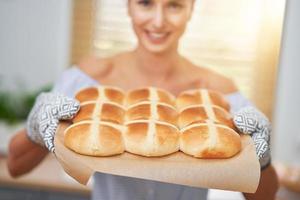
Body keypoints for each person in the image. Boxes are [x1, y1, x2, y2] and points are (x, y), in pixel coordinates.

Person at [7, 0, 279, 199]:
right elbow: (16, 167)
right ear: (128, 6)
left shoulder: (219, 96)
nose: (158, 21)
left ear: (191, 9)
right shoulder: (88, 83)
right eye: (145, 3)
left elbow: (265, 196)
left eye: (174, 5)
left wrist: (261, 158)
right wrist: (35, 127)